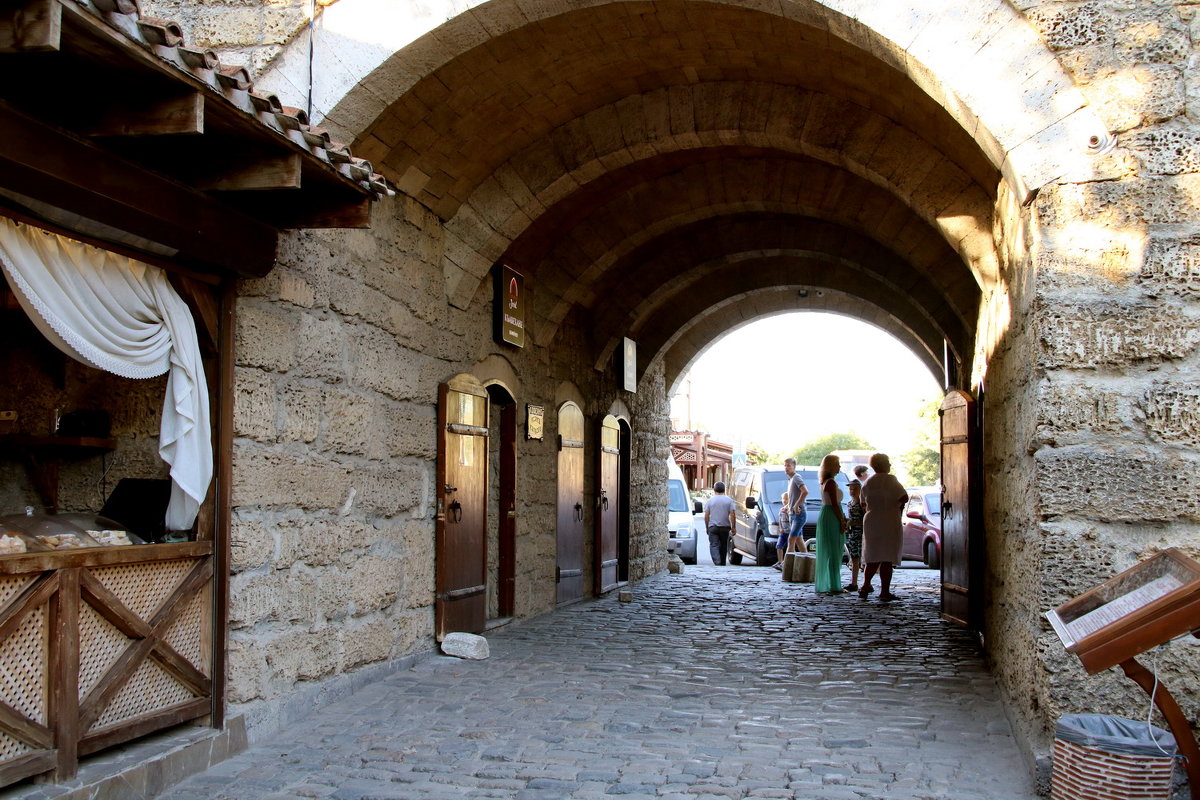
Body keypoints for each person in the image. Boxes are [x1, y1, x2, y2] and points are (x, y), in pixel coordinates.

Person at [858, 452, 907, 600]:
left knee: (872, 554)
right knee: (886, 556)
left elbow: (863, 503)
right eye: (888, 462)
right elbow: (903, 496)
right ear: (884, 464)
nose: (890, 465)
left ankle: (866, 584)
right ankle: (884, 591)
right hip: (889, 519)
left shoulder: (868, 482)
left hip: (872, 519)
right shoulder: (891, 480)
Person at [813, 454, 848, 594]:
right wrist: (841, 520)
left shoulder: (824, 482)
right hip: (832, 515)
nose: (839, 467)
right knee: (835, 550)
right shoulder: (831, 483)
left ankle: (830, 582)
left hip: (826, 514)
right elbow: (834, 504)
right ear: (831, 466)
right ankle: (835, 584)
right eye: (837, 464)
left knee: (829, 550)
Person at [703, 481, 736, 566]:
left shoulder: (710, 501)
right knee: (724, 545)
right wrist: (733, 527)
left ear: (714, 490)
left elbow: (706, 515)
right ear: (724, 490)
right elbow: (732, 514)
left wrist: (707, 527)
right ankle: (723, 562)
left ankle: (717, 560)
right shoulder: (729, 501)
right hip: (725, 526)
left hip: (713, 526)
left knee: (714, 544)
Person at [844, 480, 865, 592]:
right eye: (850, 489)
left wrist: (853, 522)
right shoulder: (850, 502)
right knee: (854, 557)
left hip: (860, 533)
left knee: (862, 558)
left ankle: (865, 583)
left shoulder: (862, 503)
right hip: (852, 533)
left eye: (855, 489)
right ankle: (854, 582)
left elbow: (866, 518)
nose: (852, 491)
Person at [784, 457, 808, 551]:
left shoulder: (796, 477)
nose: (786, 467)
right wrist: (788, 506)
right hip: (792, 513)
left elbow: (805, 491)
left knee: (791, 539)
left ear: (794, 466)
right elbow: (793, 497)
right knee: (799, 540)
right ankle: (806, 562)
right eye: (785, 465)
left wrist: (796, 505)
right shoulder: (790, 479)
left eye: (789, 465)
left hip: (799, 514)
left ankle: (786, 564)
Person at [774, 491, 790, 570]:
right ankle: (780, 561)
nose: (784, 500)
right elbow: (780, 520)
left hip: (789, 531)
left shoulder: (789, 509)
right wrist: (780, 528)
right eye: (783, 499)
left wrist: (787, 513)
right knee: (779, 546)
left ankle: (785, 562)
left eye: (786, 499)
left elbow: (791, 520)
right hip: (783, 531)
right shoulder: (781, 509)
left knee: (788, 547)